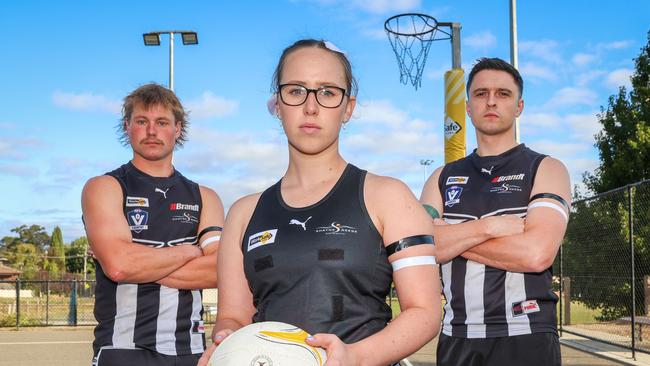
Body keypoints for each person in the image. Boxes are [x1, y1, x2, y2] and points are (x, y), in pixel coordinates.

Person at [198, 39, 441, 366]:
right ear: (278, 104)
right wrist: (226, 342)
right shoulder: (244, 214)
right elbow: (234, 318)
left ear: (348, 108)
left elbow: (425, 312)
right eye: (296, 90)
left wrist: (353, 357)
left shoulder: (389, 197)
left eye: (327, 92)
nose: (311, 107)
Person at [421, 57, 571, 366]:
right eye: (480, 93)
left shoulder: (546, 168)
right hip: (457, 338)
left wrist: (451, 239)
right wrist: (489, 228)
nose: (491, 101)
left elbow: (536, 254)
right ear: (467, 106)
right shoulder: (441, 176)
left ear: (519, 107)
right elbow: (423, 247)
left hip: (526, 335)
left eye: (503, 94)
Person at [82, 83, 224, 366]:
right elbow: (119, 265)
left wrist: (138, 259)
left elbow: (219, 271)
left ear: (178, 129)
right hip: (123, 351)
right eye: (141, 121)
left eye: (162, 122)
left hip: (191, 353)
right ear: (127, 127)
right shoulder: (105, 187)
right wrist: (188, 252)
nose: (151, 131)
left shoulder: (204, 197)